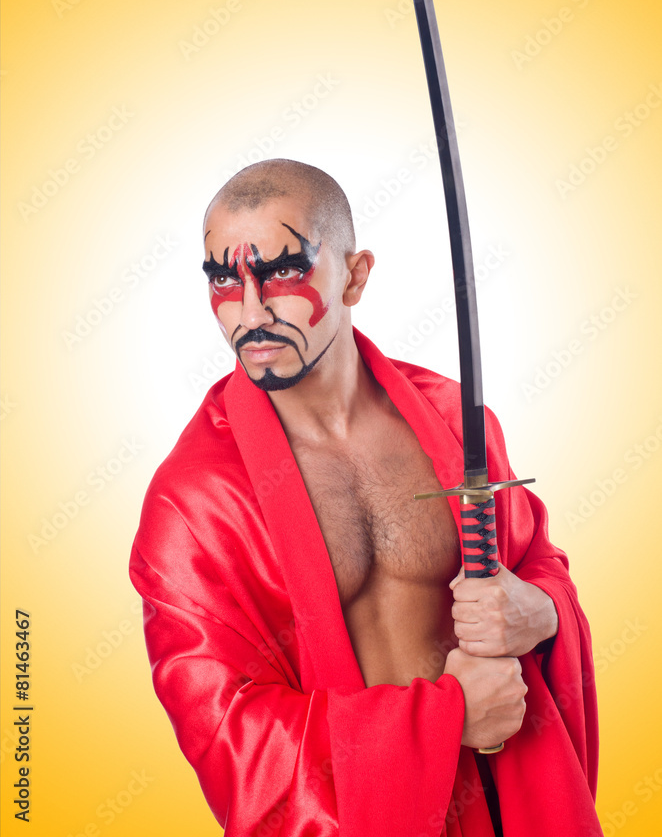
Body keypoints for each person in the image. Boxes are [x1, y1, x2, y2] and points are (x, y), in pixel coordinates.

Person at [129, 158, 603, 837]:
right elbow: (227, 734)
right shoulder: (193, 502)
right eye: (225, 280)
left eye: (282, 272)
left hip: (505, 809)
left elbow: (536, 566)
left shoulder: (453, 420)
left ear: (355, 276)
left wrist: (541, 611)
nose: (251, 313)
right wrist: (444, 721)